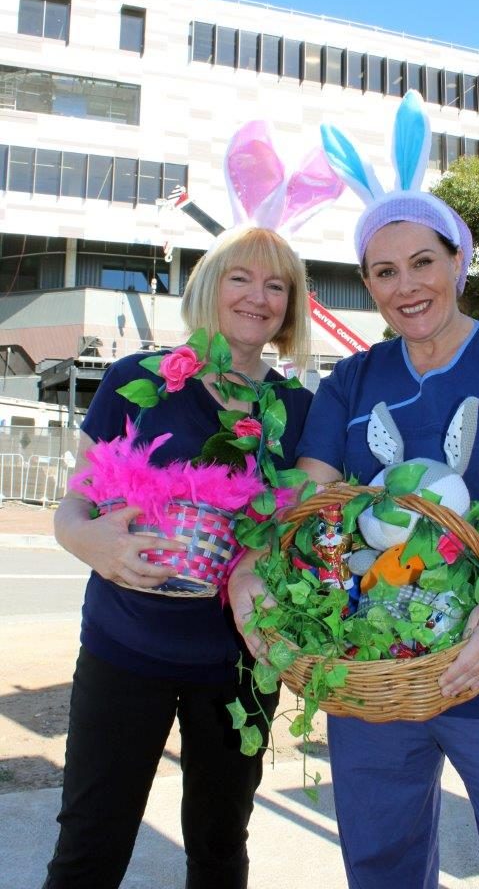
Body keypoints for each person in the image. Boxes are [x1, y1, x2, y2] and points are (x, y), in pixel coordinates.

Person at [235, 93, 479, 888]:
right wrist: (251, 568)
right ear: (368, 283)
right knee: (383, 866)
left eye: (423, 262)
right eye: (384, 271)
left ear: (457, 261)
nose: (406, 286)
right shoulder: (352, 379)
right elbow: (309, 494)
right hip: (377, 666)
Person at [42, 226, 313, 889]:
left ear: (290, 306)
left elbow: (304, 532)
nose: (257, 297)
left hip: (240, 662)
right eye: (240, 278)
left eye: (276, 285)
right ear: (209, 286)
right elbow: (73, 507)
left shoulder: (301, 411)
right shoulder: (135, 381)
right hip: (123, 648)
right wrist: (89, 542)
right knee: (89, 847)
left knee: (220, 847)